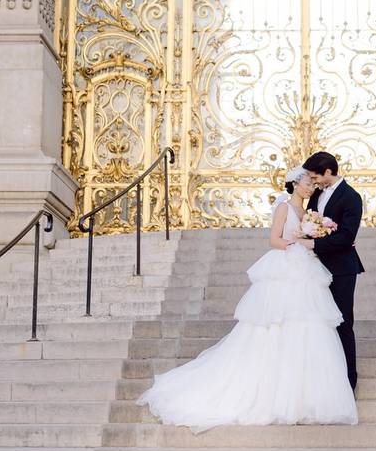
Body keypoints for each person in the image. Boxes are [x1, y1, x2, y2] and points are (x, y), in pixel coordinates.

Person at [137, 167, 358, 432]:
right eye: (308, 183)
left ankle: (304, 391)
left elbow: (320, 234)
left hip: (309, 267)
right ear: (295, 185)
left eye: (313, 182)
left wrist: (319, 236)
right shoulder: (284, 209)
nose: (312, 186)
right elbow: (273, 240)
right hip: (287, 266)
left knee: (309, 324)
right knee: (279, 322)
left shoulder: (311, 211)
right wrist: (297, 242)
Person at [300, 151, 364, 392]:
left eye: (315, 176)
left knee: (342, 322)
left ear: (328, 172)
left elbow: (347, 237)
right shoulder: (316, 193)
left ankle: (349, 381)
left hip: (342, 269)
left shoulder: (351, 197)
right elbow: (311, 221)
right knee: (317, 322)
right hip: (314, 268)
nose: (313, 181)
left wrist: (315, 243)